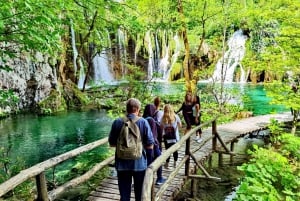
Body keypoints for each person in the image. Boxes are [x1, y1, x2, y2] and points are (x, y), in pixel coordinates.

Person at [108, 98, 154, 201]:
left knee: (124, 196)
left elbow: (112, 143)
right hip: (139, 164)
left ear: (126, 109)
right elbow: (150, 145)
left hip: (122, 164)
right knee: (139, 194)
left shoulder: (117, 122)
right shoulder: (143, 122)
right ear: (137, 109)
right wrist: (149, 162)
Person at [142, 104, 166, 185]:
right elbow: (152, 134)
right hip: (152, 146)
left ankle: (143, 180)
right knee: (159, 160)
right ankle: (159, 179)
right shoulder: (151, 120)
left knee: (146, 164)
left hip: (143, 146)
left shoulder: (142, 119)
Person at [161, 104, 182, 169]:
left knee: (168, 151)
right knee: (175, 150)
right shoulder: (176, 117)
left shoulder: (163, 118)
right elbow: (180, 125)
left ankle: (167, 164)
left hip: (166, 138)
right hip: (175, 137)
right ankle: (175, 163)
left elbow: (161, 127)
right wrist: (176, 128)